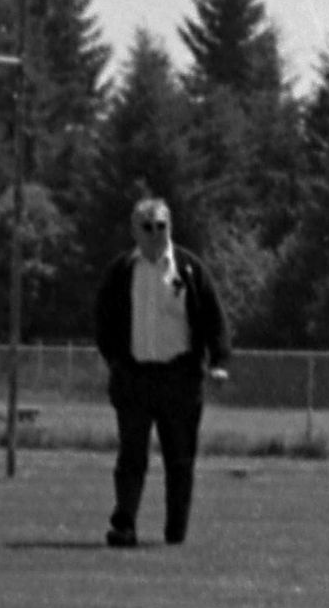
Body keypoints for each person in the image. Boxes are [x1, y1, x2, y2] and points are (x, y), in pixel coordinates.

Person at [91, 198, 230, 549]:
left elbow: (214, 319)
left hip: (179, 378)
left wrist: (218, 362)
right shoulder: (122, 272)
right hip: (134, 377)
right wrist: (117, 362)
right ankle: (124, 525)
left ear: (170, 227)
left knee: (180, 460)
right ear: (134, 230)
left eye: (161, 226)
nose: (155, 234)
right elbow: (103, 321)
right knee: (131, 456)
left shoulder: (189, 269)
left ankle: (175, 534)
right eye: (147, 227)